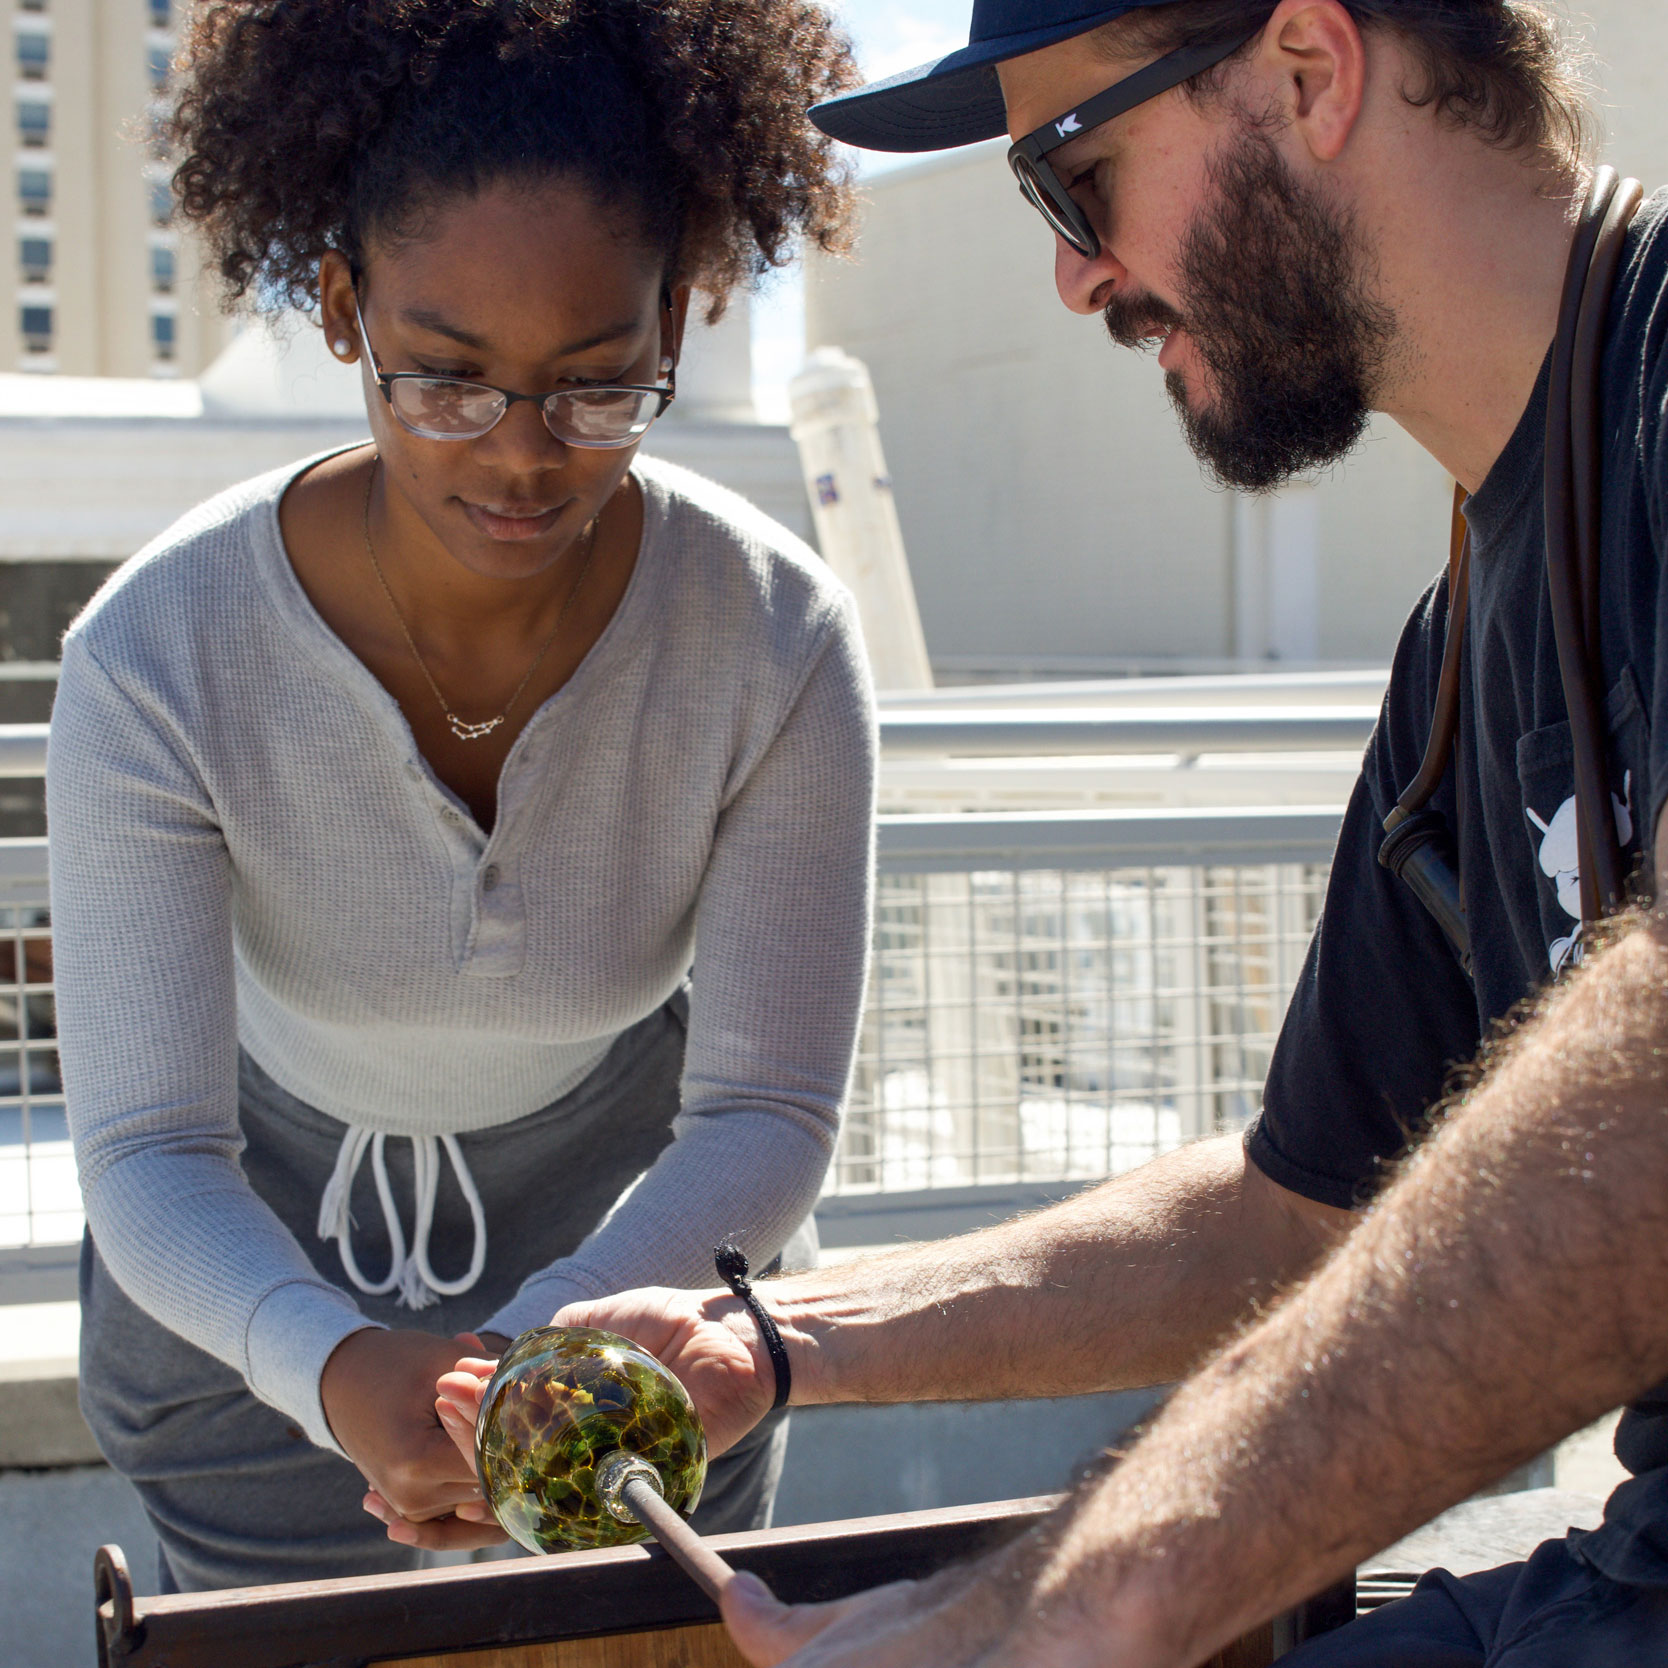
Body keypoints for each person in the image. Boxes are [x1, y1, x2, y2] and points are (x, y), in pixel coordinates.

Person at [439, 1, 1668, 1663]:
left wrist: (1072, 1610)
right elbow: (1296, 1215)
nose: (1078, 278)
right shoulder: (1462, 649)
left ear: (1310, 73)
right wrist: (778, 1339)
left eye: (1076, 178)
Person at [46, 0, 873, 1594]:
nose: (520, 457)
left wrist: (543, 1345)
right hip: (241, 1251)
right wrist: (326, 1359)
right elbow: (146, 1147)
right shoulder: (157, 654)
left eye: (597, 386)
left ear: (679, 323)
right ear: (345, 312)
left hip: (654, 1230)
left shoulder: (775, 640)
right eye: (445, 380)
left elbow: (767, 1114)